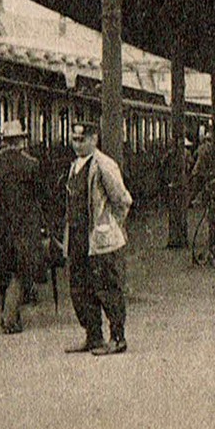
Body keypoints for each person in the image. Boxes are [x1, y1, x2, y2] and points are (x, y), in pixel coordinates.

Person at [62, 123, 132, 356]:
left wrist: (111, 226)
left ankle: (118, 338)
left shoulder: (104, 164)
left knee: (107, 288)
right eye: (74, 139)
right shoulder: (74, 166)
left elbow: (122, 199)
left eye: (82, 139)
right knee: (80, 289)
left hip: (99, 238)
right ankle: (93, 336)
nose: (77, 144)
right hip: (78, 237)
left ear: (94, 139)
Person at [0, 119, 43, 335]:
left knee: (4, 269)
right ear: (21, 140)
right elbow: (41, 197)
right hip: (25, 226)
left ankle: (9, 311)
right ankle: (10, 317)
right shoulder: (31, 164)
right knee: (22, 269)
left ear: (3, 140)